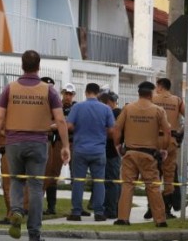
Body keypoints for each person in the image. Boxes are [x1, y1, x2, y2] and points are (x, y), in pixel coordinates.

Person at [0, 50, 69, 241]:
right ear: (39, 66)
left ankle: (16, 211)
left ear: (22, 66)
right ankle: (34, 233)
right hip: (38, 141)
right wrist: (65, 146)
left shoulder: (10, 88)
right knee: (35, 186)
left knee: (16, 180)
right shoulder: (48, 90)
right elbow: (60, 119)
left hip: (13, 141)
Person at [111, 81, 172, 226]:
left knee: (127, 185)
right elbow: (167, 131)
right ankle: (160, 220)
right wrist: (164, 149)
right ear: (151, 94)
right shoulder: (158, 111)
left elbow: (116, 129)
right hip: (149, 155)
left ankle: (123, 218)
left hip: (130, 153)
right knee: (153, 187)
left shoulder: (128, 108)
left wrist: (118, 145)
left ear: (138, 93)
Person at [65, 82, 115, 221]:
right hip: (98, 150)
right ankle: (99, 212)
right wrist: (101, 132)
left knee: (78, 181)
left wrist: (80, 129)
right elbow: (112, 130)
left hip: (80, 149)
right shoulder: (106, 109)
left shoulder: (77, 107)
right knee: (99, 181)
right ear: (98, 93)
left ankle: (76, 212)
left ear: (86, 93)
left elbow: (68, 126)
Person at [152, 77, 186, 218]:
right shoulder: (177, 100)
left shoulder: (152, 99)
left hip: (153, 140)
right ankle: (166, 209)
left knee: (152, 174)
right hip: (171, 140)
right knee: (169, 176)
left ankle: (152, 207)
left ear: (159, 87)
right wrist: (180, 133)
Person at [44, 81, 76, 215]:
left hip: (73, 143)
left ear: (73, 95)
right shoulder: (55, 106)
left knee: (76, 176)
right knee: (52, 175)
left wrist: (59, 125)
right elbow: (48, 122)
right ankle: (51, 207)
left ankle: (77, 208)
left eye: (70, 94)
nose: (68, 97)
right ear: (62, 94)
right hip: (57, 143)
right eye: (66, 94)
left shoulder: (76, 108)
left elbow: (74, 125)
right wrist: (59, 125)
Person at [97, 90, 122, 220]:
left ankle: (111, 210)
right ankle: (114, 208)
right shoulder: (112, 113)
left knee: (112, 182)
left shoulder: (116, 113)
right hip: (108, 151)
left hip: (111, 152)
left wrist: (101, 131)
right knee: (111, 181)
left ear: (109, 103)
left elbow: (114, 132)